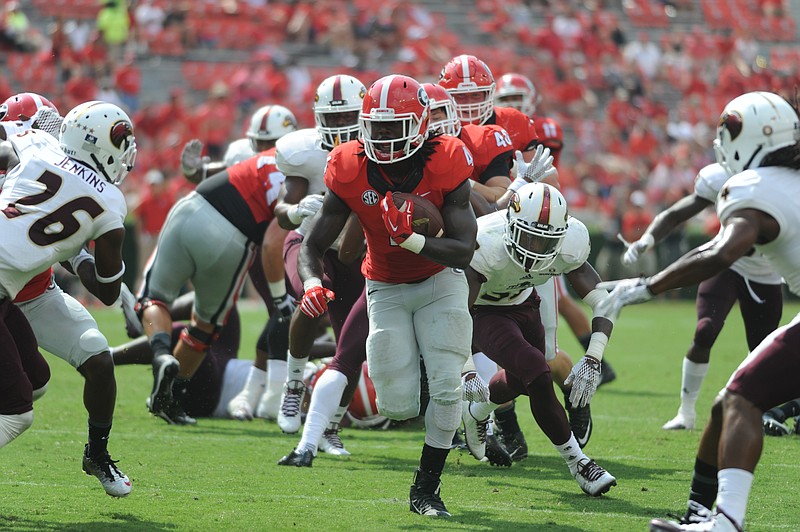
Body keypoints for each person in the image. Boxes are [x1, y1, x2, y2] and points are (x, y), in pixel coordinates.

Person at [594, 91, 800, 531]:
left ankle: (723, 523)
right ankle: (702, 514)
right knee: (730, 403)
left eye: (730, 132)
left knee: (741, 398)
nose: (722, 142)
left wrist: (647, 287)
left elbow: (723, 251)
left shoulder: (754, 186)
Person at [295, 74, 477, 517]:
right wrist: (313, 282)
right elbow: (312, 245)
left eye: (391, 127)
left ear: (418, 125)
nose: (380, 136)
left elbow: (464, 249)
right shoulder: (349, 165)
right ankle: (423, 366)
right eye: (374, 126)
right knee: (394, 402)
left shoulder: (446, 159)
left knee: (448, 386)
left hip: (439, 280)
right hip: (385, 286)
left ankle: (426, 489)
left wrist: (413, 241)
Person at [0, 99, 136, 497]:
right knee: (18, 412)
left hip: (27, 293)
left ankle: (97, 453)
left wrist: (76, 254)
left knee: (44, 379)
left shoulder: (37, 148)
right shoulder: (109, 202)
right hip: (7, 292)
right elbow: (106, 288)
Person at [137, 105, 297, 426]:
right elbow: (272, 241)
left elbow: (202, 174)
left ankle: (160, 353)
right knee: (205, 326)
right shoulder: (303, 164)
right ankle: (171, 395)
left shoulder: (246, 155)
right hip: (233, 239)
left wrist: (194, 171)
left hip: (193, 208)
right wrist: (281, 298)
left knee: (152, 299)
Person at [461, 182, 617, 496]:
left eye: (545, 241)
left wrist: (593, 356)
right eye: (528, 236)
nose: (534, 247)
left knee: (522, 381)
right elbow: (457, 313)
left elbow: (605, 300)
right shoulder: (483, 244)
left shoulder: (569, 242)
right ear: (510, 224)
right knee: (537, 369)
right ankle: (580, 464)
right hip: (483, 310)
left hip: (524, 301)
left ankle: (475, 414)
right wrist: (466, 367)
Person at [621, 161, 782, 432]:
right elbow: (675, 214)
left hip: (765, 275)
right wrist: (646, 240)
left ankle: (764, 410)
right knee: (705, 331)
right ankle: (686, 412)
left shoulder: (785, 181)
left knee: (762, 351)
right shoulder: (724, 175)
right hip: (723, 264)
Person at [271, 74, 371, 461]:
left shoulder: (377, 152)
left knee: (354, 343)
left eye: (347, 116)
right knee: (312, 298)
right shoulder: (306, 153)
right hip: (310, 246)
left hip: (354, 254)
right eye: (331, 118)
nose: (339, 126)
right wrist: (295, 210)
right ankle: (294, 383)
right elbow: (282, 211)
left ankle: (332, 426)